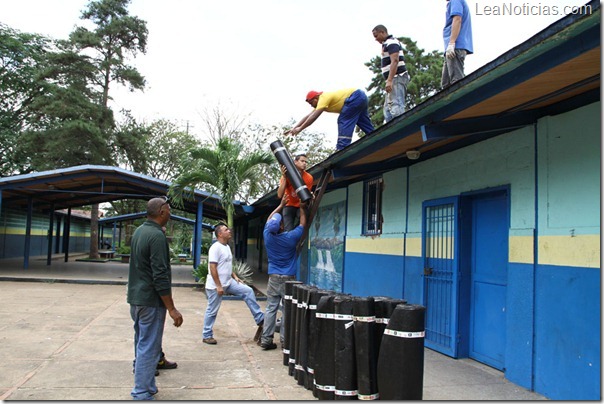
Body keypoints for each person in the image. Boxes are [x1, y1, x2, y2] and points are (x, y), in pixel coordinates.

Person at [127, 197, 183, 400]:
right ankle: (141, 392)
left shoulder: (140, 231)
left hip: (136, 299)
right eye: (168, 209)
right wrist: (171, 308)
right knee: (149, 346)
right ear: (161, 212)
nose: (170, 213)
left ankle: (148, 386)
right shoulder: (156, 236)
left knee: (142, 342)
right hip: (150, 301)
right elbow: (159, 275)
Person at [202, 223, 264, 345]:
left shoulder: (226, 247)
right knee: (212, 310)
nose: (229, 231)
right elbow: (213, 267)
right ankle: (206, 335)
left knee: (248, 291)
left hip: (229, 282)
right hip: (215, 285)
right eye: (226, 230)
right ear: (220, 234)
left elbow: (227, 265)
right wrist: (219, 286)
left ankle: (260, 318)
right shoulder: (215, 248)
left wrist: (235, 277)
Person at [260, 196, 307, 350]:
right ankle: (285, 341)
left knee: (270, 308)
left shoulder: (268, 236)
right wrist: (301, 207)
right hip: (288, 279)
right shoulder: (290, 238)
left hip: (273, 278)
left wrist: (280, 206)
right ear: (281, 226)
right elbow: (302, 223)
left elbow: (269, 219)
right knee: (287, 310)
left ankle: (266, 339)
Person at [286, 88, 375, 151]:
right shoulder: (321, 102)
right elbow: (308, 116)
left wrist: (301, 128)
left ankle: (342, 147)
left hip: (355, 97)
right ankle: (374, 135)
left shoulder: (323, 98)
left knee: (343, 120)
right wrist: (295, 128)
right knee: (362, 121)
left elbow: (314, 117)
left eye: (311, 103)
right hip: (361, 97)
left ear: (316, 98)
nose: (311, 105)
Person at [372, 24, 410, 122]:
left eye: (376, 36)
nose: (376, 39)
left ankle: (401, 130)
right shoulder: (386, 44)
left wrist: (389, 80)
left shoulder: (391, 42)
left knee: (396, 106)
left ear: (382, 32)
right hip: (393, 79)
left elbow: (395, 61)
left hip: (397, 77)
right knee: (388, 111)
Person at [277, 153, 314, 231]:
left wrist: (311, 196)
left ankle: (296, 236)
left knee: (303, 225)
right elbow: (279, 195)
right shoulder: (286, 175)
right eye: (302, 161)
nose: (304, 163)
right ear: (295, 162)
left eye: (306, 162)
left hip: (300, 205)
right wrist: (284, 177)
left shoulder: (309, 178)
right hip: (288, 204)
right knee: (288, 229)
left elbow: (306, 195)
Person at [442, 0, 473, 88]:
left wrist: (452, 43)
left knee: (456, 83)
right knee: (446, 85)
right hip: (451, 48)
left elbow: (457, 19)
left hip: (455, 47)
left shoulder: (455, 0)